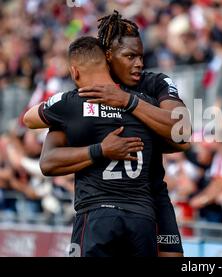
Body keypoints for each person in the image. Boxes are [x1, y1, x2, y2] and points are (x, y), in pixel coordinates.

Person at [25, 11, 189, 257]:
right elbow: (44, 151)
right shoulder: (85, 92)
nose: (139, 64)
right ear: (109, 57)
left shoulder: (155, 84)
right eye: (130, 56)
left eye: (141, 56)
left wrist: (129, 102)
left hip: (151, 197)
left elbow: (183, 134)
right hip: (109, 206)